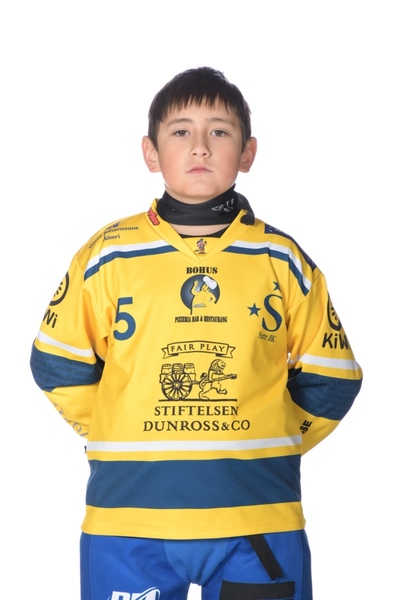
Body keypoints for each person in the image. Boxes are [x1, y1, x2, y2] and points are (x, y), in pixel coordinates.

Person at [30, 67, 363, 600]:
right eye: (181, 131)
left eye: (220, 132)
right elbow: (57, 363)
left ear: (248, 153)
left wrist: (272, 441)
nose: (200, 146)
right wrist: (119, 428)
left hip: (257, 518)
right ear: (150, 152)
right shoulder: (108, 254)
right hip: (127, 519)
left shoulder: (282, 259)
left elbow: (334, 378)